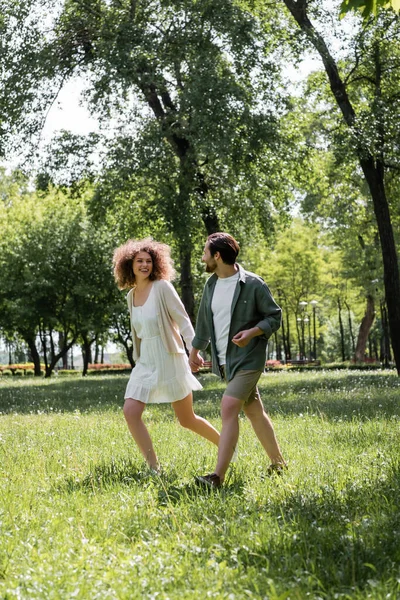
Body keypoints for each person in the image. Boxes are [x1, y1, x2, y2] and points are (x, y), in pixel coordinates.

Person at [113, 238, 220, 473]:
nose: (144, 265)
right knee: (130, 412)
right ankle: (154, 467)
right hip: (145, 361)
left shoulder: (162, 287)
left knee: (186, 419)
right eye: (139, 261)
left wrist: (194, 350)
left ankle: (226, 447)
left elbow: (182, 319)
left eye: (149, 261)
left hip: (168, 356)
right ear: (129, 264)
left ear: (156, 264)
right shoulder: (130, 296)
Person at [189, 232, 286, 488]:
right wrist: (195, 352)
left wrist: (253, 332)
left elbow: (274, 317)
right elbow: (203, 323)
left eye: (205, 252)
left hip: (249, 358)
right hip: (225, 361)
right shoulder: (211, 284)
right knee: (254, 411)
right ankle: (279, 464)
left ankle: (216, 477)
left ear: (217, 256)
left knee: (229, 407)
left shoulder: (253, 284)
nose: (203, 257)